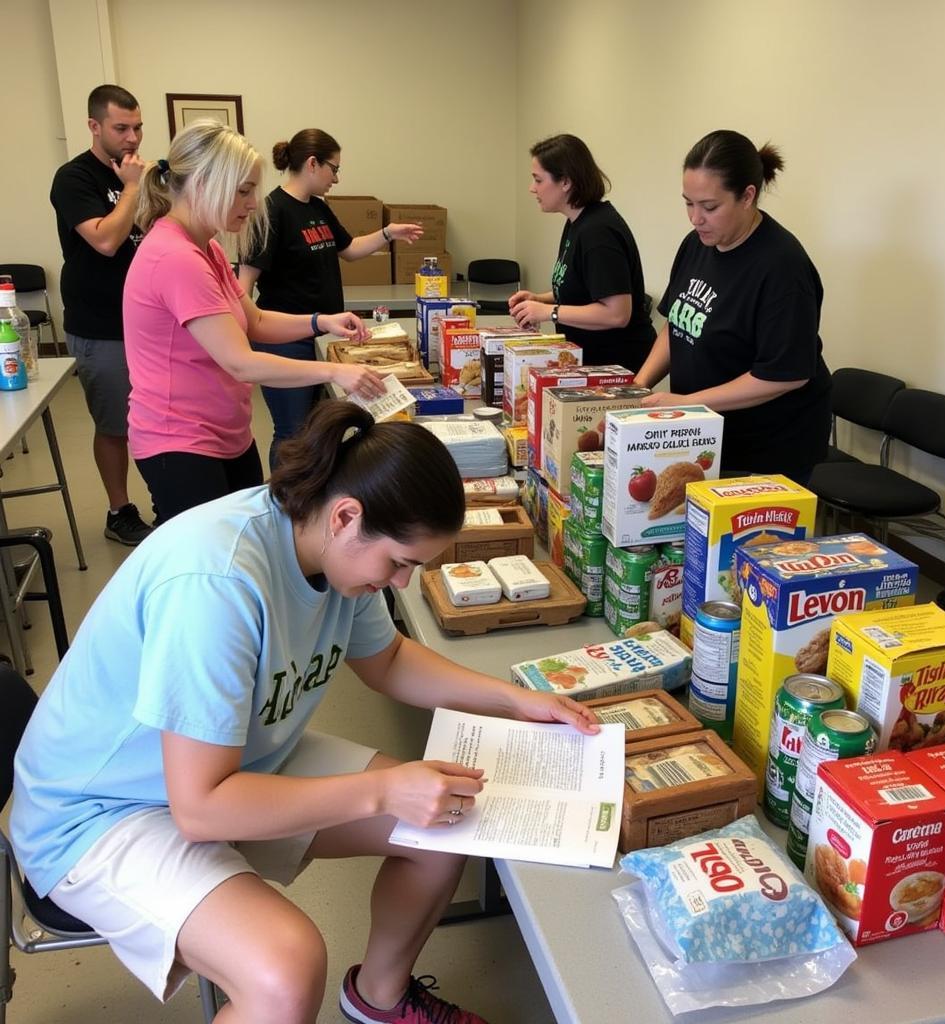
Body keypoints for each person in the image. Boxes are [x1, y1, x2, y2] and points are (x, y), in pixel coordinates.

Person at [11, 400, 600, 1024]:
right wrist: (380, 791)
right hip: (103, 810)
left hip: (234, 760)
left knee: (446, 819)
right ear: (348, 516)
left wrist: (515, 699)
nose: (403, 583)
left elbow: (389, 661)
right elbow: (201, 807)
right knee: (285, 972)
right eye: (400, 562)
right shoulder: (217, 584)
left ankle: (380, 998)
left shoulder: (330, 549)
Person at [123, 120, 387, 525]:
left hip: (226, 432)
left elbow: (255, 319)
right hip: (181, 442)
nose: (252, 203)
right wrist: (337, 370)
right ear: (204, 184)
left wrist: (321, 322)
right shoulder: (176, 257)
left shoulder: (205, 247)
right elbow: (241, 361)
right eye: (243, 191)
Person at [634, 130, 832, 485]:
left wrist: (687, 402)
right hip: (708, 430)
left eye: (709, 207)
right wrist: (639, 383)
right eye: (688, 203)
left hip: (770, 445)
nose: (695, 219)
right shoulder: (696, 245)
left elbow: (785, 374)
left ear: (747, 196)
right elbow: (677, 325)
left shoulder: (782, 267)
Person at [238, 129, 424, 468]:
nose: (336, 178)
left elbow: (349, 250)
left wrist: (388, 233)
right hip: (284, 341)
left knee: (317, 430)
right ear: (312, 163)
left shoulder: (319, 209)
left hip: (324, 336)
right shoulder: (272, 212)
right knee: (291, 431)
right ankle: (284, 505)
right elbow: (244, 284)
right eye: (333, 169)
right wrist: (243, 342)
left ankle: (309, 498)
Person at [49, 83, 153, 546]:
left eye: (138, 128)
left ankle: (164, 498)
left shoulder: (137, 176)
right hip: (101, 325)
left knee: (152, 417)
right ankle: (119, 510)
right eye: (121, 128)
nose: (132, 138)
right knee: (115, 424)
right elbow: (107, 240)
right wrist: (132, 187)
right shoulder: (75, 179)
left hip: (145, 320)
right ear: (94, 126)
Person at [508, 133, 655, 373]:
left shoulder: (598, 232)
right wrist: (539, 299)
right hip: (588, 359)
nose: (532, 189)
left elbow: (617, 314)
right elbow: (582, 290)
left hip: (617, 364)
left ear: (565, 182)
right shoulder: (576, 222)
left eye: (538, 180)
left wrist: (548, 312)